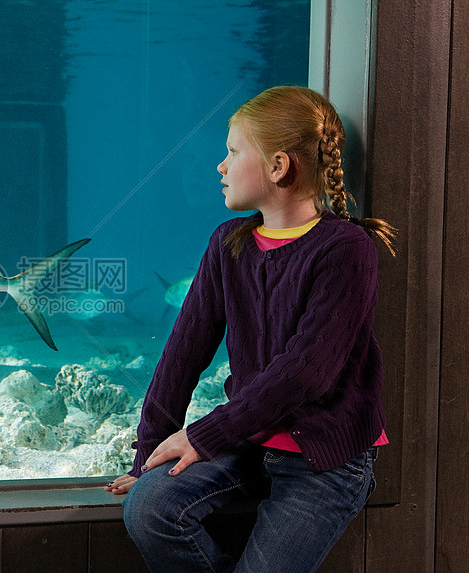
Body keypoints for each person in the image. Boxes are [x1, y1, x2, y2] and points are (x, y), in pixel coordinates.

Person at [105, 85, 396, 573]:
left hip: (323, 458)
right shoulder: (227, 244)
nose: (220, 166)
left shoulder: (346, 249)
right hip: (247, 441)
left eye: (233, 151)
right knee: (150, 508)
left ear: (279, 166)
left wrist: (203, 435)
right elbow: (181, 356)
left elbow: (305, 374)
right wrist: (147, 459)